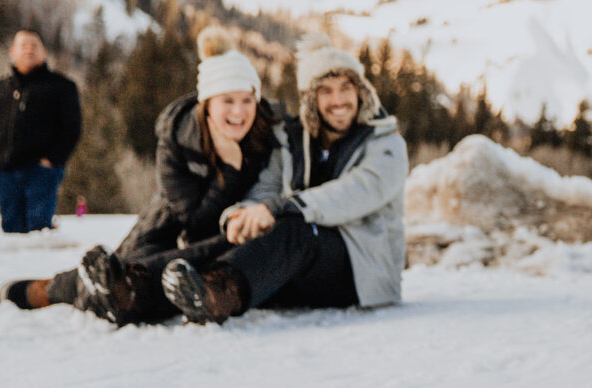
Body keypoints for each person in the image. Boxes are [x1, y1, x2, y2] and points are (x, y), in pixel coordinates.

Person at [0, 28, 283, 323]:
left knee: (143, 279)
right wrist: (232, 170)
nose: (239, 112)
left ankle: (56, 289)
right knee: (122, 272)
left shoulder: (267, 137)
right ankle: (53, 289)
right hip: (167, 226)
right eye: (227, 100)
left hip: (226, 240)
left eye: (247, 100)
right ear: (207, 103)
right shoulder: (178, 138)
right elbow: (193, 221)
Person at [160, 38, 409, 324]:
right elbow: (267, 189)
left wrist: (282, 207)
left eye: (346, 88)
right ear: (311, 100)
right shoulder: (292, 139)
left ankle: (218, 294)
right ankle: (139, 290)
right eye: (326, 91)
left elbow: (355, 193)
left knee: (295, 227)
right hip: (303, 269)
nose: (338, 100)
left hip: (361, 274)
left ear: (361, 92)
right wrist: (241, 215)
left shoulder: (386, 144)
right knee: (237, 236)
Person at [0, 30, 81, 233]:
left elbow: (71, 127)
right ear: (12, 51)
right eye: (23, 45)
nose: (29, 50)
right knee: (10, 228)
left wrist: (53, 159)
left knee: (39, 230)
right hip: (6, 169)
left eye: (34, 45)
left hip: (41, 170)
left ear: (44, 52)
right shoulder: (2, 86)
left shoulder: (61, 86)